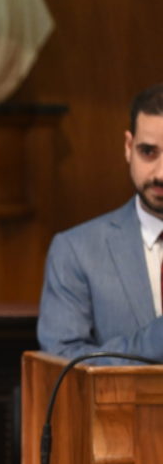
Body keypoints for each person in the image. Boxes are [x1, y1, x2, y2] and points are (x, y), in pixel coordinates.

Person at [38, 83, 163, 363]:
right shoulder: (75, 250)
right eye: (148, 152)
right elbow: (63, 362)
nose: (161, 173)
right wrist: (155, 341)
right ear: (129, 147)